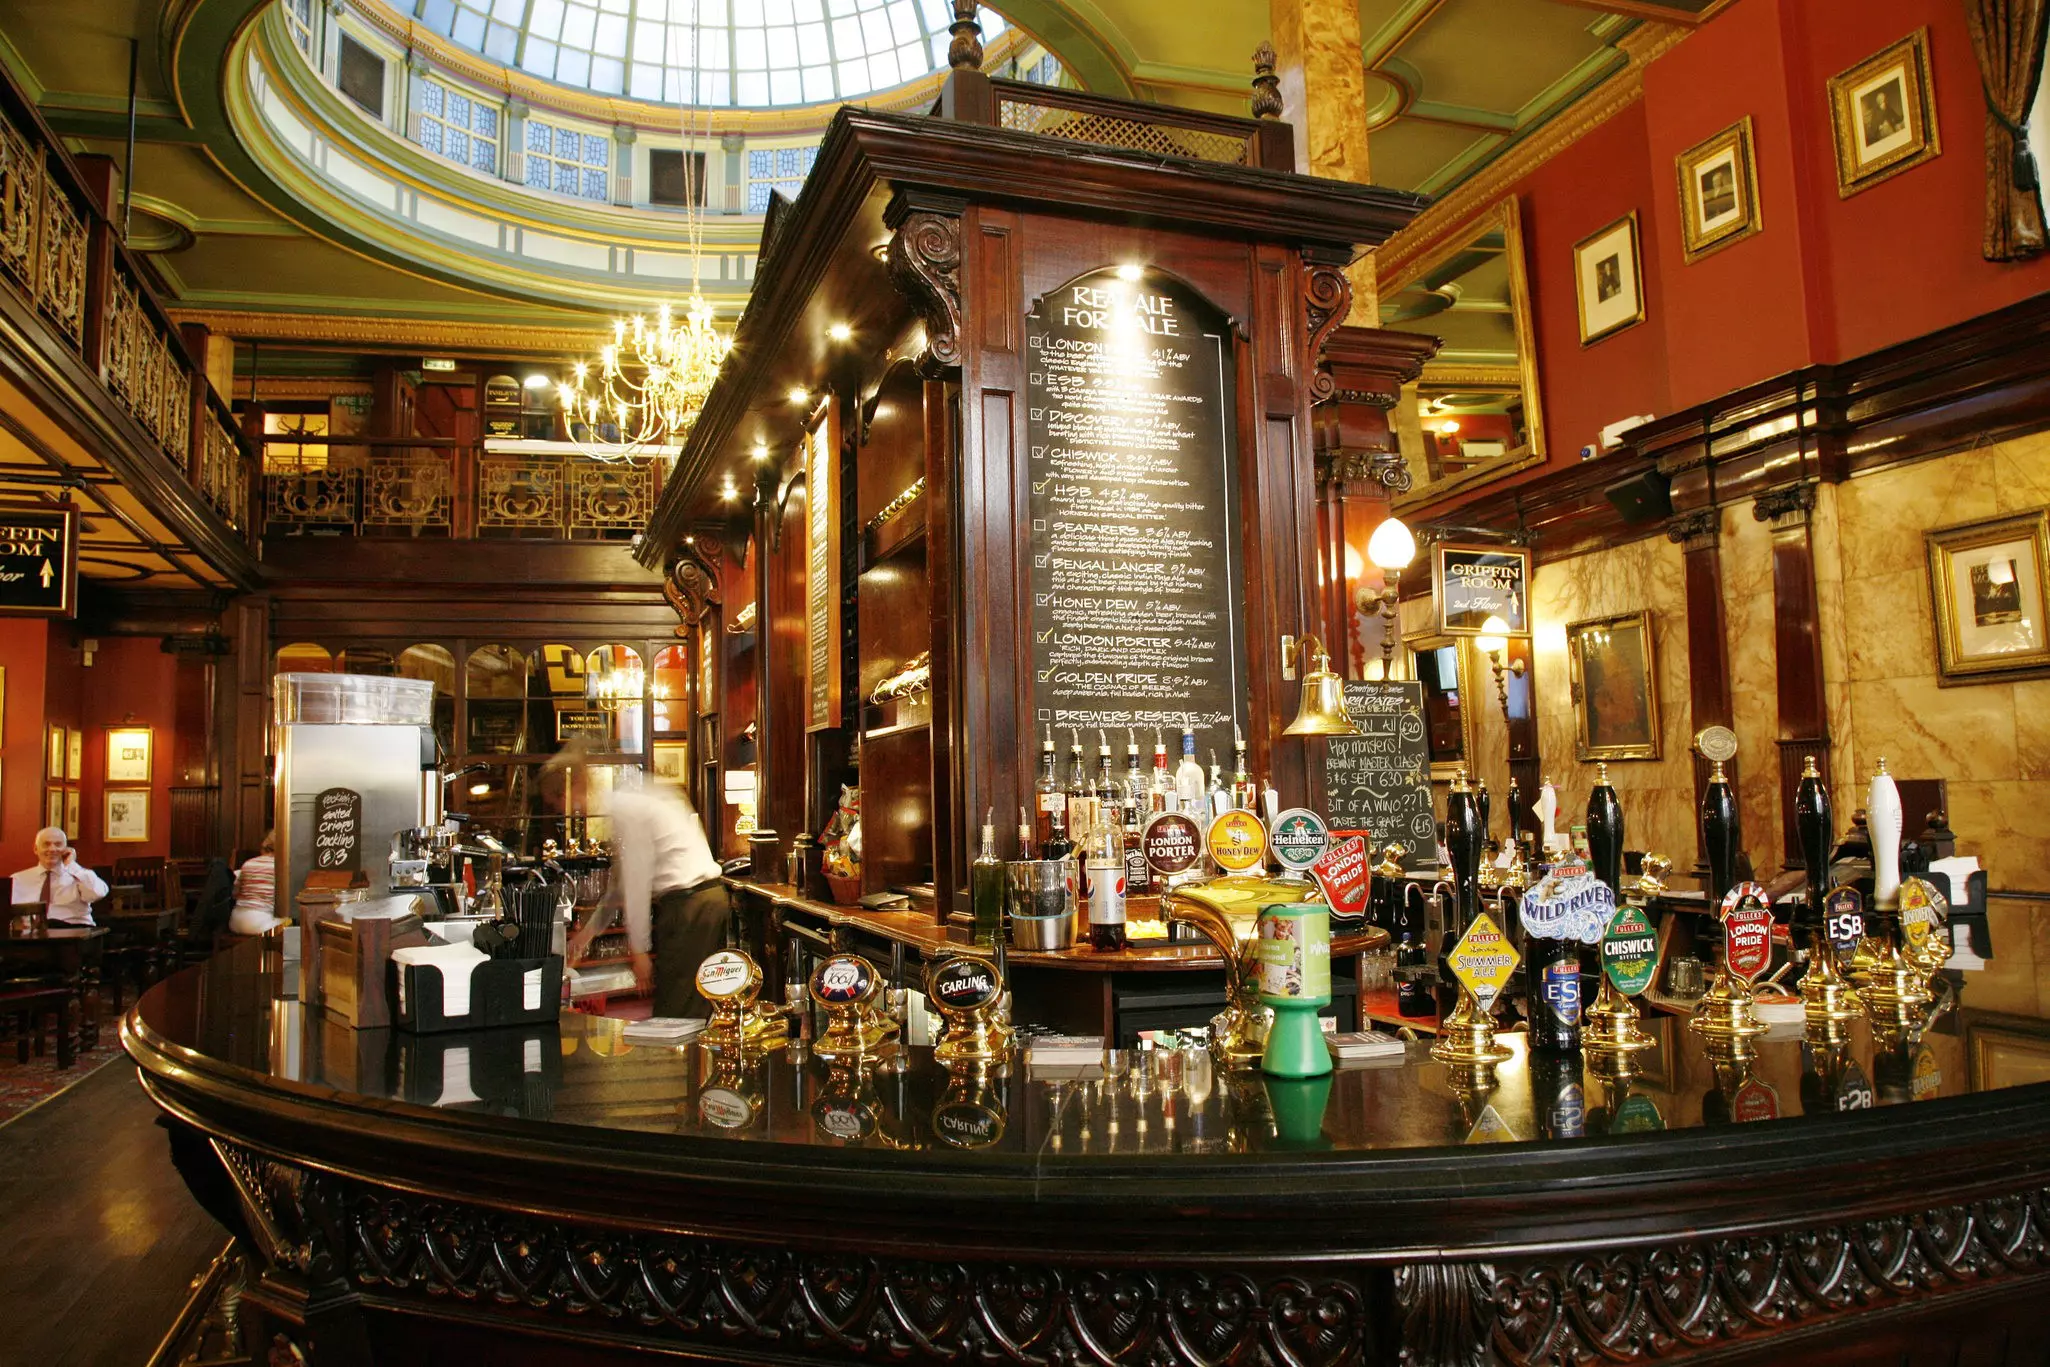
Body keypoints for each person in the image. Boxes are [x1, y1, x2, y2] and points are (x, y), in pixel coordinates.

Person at [592, 769, 725, 1019]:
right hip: (704, 900)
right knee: (696, 998)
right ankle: (694, 1056)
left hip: (690, 905)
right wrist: (589, 933)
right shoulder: (647, 797)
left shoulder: (628, 809)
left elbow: (636, 881)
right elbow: (623, 883)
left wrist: (640, 951)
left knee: (678, 1005)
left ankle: (679, 1058)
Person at [10, 827, 108, 927]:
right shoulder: (18, 880)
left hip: (74, 933)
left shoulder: (79, 875)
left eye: (58, 844)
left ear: (66, 849)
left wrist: (72, 865)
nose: (52, 849)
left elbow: (97, 893)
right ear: (35, 849)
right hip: (31, 937)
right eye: (46, 844)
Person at [229, 831, 279, 935]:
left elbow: (235, 892)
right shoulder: (280, 868)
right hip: (261, 923)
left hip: (235, 920)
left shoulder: (248, 863)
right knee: (295, 925)